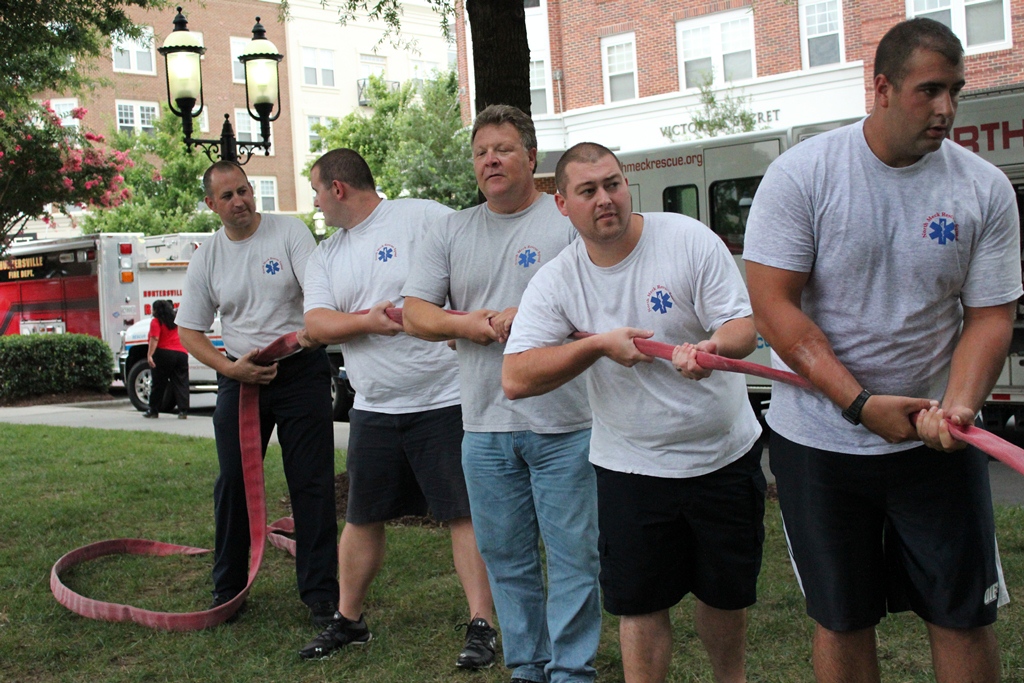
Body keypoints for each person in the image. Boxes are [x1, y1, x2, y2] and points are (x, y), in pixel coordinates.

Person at [742, 18, 1021, 683]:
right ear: (883, 88)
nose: (946, 108)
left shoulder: (983, 188)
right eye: (930, 90)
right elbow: (775, 308)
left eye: (954, 91)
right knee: (843, 617)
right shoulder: (803, 176)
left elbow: (989, 317)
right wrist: (859, 403)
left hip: (937, 443)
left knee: (962, 613)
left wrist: (958, 408)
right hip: (820, 442)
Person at [503, 142, 765, 683]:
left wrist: (713, 347)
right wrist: (597, 346)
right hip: (631, 467)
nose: (605, 199)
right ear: (563, 204)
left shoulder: (687, 239)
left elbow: (742, 326)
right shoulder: (558, 280)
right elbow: (516, 376)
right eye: (588, 190)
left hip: (722, 457)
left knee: (724, 595)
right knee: (640, 604)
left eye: (613, 184)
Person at [402, 105, 601, 683]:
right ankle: (528, 666)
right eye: (481, 152)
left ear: (531, 158)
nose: (490, 160)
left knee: (573, 557)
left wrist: (533, 315)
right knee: (506, 558)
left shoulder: (565, 221)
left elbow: (600, 295)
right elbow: (415, 313)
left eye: (504, 149)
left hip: (566, 424)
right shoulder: (451, 230)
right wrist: (472, 324)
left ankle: (570, 669)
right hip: (484, 427)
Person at [297, 148, 496, 666]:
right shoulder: (326, 255)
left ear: (338, 188)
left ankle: (483, 626)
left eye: (316, 191)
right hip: (374, 407)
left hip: (444, 398)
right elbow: (317, 324)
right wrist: (369, 321)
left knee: (463, 514)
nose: (316, 203)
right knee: (362, 517)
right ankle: (349, 620)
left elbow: (473, 264)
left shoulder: (422, 217)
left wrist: (458, 322)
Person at [176, 160, 340, 627]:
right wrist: (232, 369)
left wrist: (313, 333)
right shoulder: (208, 256)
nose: (240, 201)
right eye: (227, 196)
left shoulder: (289, 233)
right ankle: (228, 589)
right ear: (211, 204)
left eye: (244, 191)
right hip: (241, 376)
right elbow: (189, 330)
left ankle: (321, 594)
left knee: (311, 480)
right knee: (233, 482)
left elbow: (319, 294)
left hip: (300, 371)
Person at [143, 298, 190, 419]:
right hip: (181, 353)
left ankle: (153, 410)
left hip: (164, 353)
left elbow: (155, 338)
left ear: (156, 310)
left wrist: (150, 355)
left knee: (159, 383)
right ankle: (183, 410)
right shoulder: (176, 321)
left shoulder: (156, 322)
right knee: (181, 382)